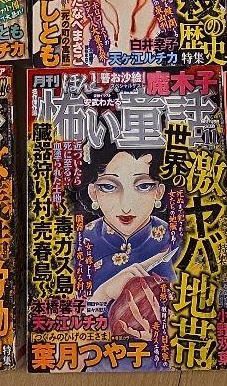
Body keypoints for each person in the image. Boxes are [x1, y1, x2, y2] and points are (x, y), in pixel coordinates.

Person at [76, 138, 178, 340]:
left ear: (159, 192)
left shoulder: (176, 239)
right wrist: (103, 294)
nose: (126, 206)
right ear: (93, 193)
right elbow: (60, 335)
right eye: (109, 187)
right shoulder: (78, 243)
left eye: (143, 186)